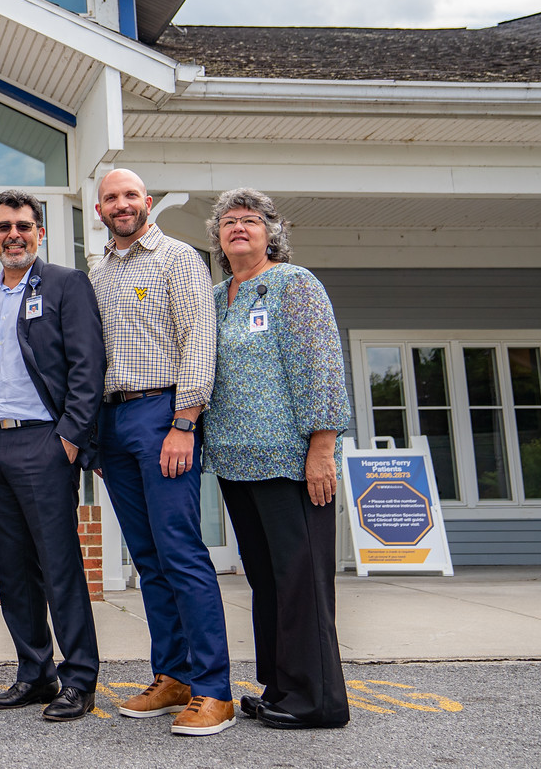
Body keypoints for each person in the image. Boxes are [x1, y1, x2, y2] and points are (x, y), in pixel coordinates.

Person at [88, 168, 234, 736]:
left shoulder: (177, 259)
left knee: (180, 550)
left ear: (147, 202)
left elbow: (200, 340)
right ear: (99, 210)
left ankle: (214, 689)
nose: (121, 205)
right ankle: (171, 676)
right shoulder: (97, 271)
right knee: (146, 558)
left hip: (162, 413)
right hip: (113, 418)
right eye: (111, 198)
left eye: (130, 196)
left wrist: (184, 421)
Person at [203, 188, 351, 730]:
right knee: (266, 582)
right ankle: (281, 687)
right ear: (217, 237)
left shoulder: (294, 284)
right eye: (228, 222)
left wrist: (322, 447)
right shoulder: (217, 297)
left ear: (272, 232)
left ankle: (318, 700)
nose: (238, 228)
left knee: (301, 581)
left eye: (251, 220)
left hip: (291, 462)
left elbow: (322, 367)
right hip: (236, 463)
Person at [0, 189, 106, 722]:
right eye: (4, 227)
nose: (14, 235)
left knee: (58, 561)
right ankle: (34, 673)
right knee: (14, 567)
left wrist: (69, 437)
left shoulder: (67, 285)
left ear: (39, 233)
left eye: (24, 226)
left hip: (45, 442)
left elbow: (87, 367)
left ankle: (80, 678)